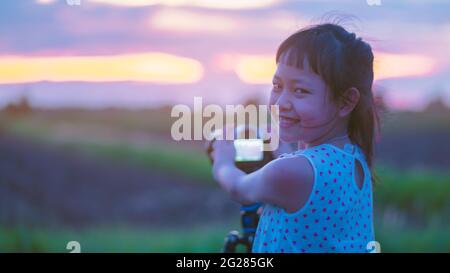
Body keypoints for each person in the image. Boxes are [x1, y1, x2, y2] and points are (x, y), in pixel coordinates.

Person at [208, 23, 380, 253]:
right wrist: (285, 153)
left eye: (300, 91)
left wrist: (222, 160)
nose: (280, 103)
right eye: (277, 86)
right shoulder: (354, 158)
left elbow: (239, 189)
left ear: (346, 101)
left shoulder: (290, 172)